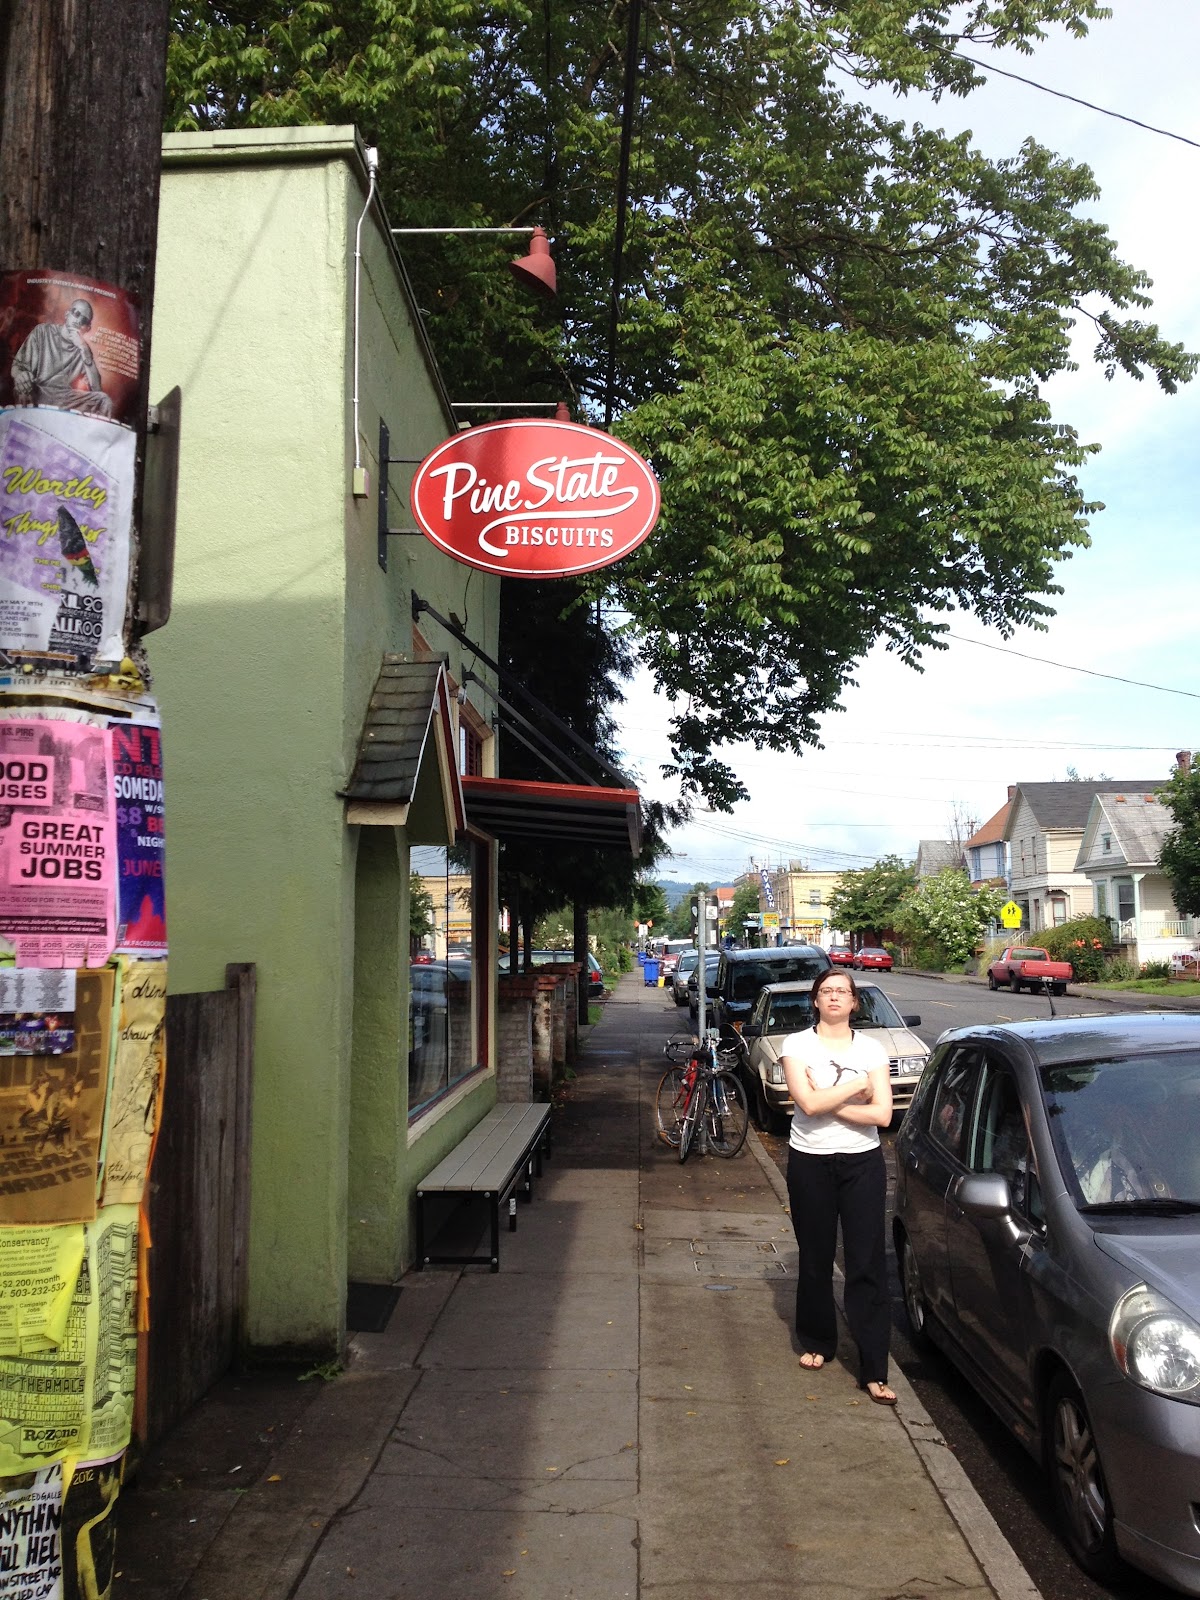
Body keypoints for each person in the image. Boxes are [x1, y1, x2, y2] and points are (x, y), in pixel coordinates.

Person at [781, 966, 896, 1405]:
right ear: (815, 1000)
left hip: (862, 1164)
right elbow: (804, 1102)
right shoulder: (797, 1045)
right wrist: (857, 1086)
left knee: (867, 1261)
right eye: (826, 991)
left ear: (853, 1003)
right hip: (809, 1161)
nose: (833, 998)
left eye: (842, 992)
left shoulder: (872, 1048)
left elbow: (883, 1116)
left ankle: (873, 1367)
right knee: (815, 1257)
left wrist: (827, 1103)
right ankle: (817, 1340)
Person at [10, 298, 114, 416]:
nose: (78, 320)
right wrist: (21, 376)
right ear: (67, 314)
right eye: (76, 313)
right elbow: (17, 366)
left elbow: (96, 389)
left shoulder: (84, 350)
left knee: (104, 400)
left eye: (84, 320)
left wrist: (84, 349)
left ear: (87, 328)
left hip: (65, 398)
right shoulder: (43, 332)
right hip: (38, 391)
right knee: (23, 387)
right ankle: (24, 427)